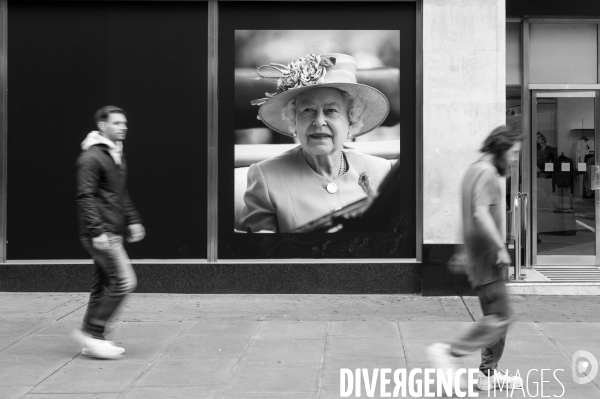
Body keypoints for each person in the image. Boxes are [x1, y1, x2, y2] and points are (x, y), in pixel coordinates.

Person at [237, 53, 393, 233]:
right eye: (308, 110)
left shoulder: (381, 171)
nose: (319, 121)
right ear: (294, 121)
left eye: (331, 110)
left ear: (351, 120)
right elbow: (257, 255)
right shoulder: (266, 178)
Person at [427, 125, 525, 391]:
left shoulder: (473, 170)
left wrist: (462, 251)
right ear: (501, 148)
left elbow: (467, 217)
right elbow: (480, 214)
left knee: (495, 318)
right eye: (513, 154)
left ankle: (488, 374)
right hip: (488, 258)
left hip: (478, 256)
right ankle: (451, 352)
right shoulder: (486, 172)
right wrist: (501, 248)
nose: (515, 160)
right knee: (500, 318)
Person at [72, 106, 145, 359]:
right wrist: (97, 231)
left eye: (124, 123)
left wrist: (133, 220)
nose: (123, 127)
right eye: (116, 123)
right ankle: (92, 334)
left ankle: (93, 339)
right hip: (102, 233)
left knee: (103, 285)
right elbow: (85, 196)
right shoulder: (92, 157)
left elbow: (119, 193)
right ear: (102, 126)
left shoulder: (115, 154)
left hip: (110, 230)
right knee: (125, 281)